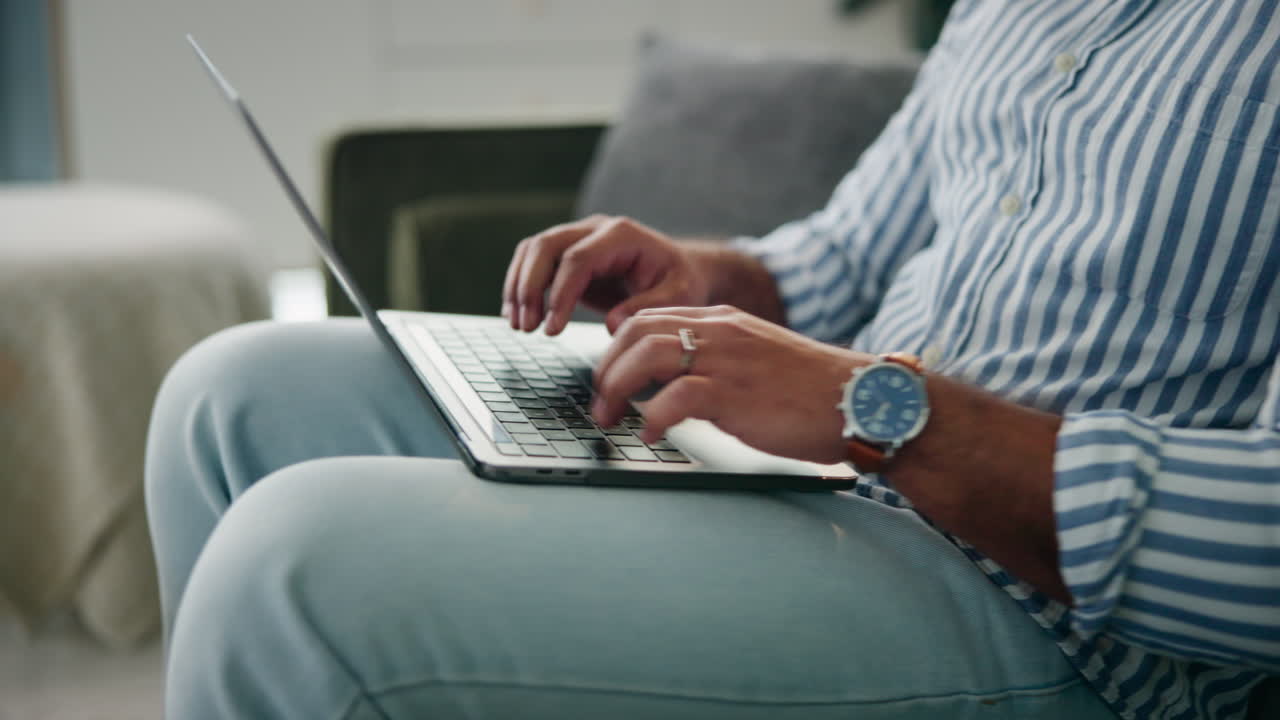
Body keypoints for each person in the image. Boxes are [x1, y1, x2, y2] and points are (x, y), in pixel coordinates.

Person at [146, 1, 1279, 718]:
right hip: (837, 480)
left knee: (288, 572)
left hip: (1074, 635)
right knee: (232, 396)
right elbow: (846, 251)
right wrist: (711, 279)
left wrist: (874, 412)